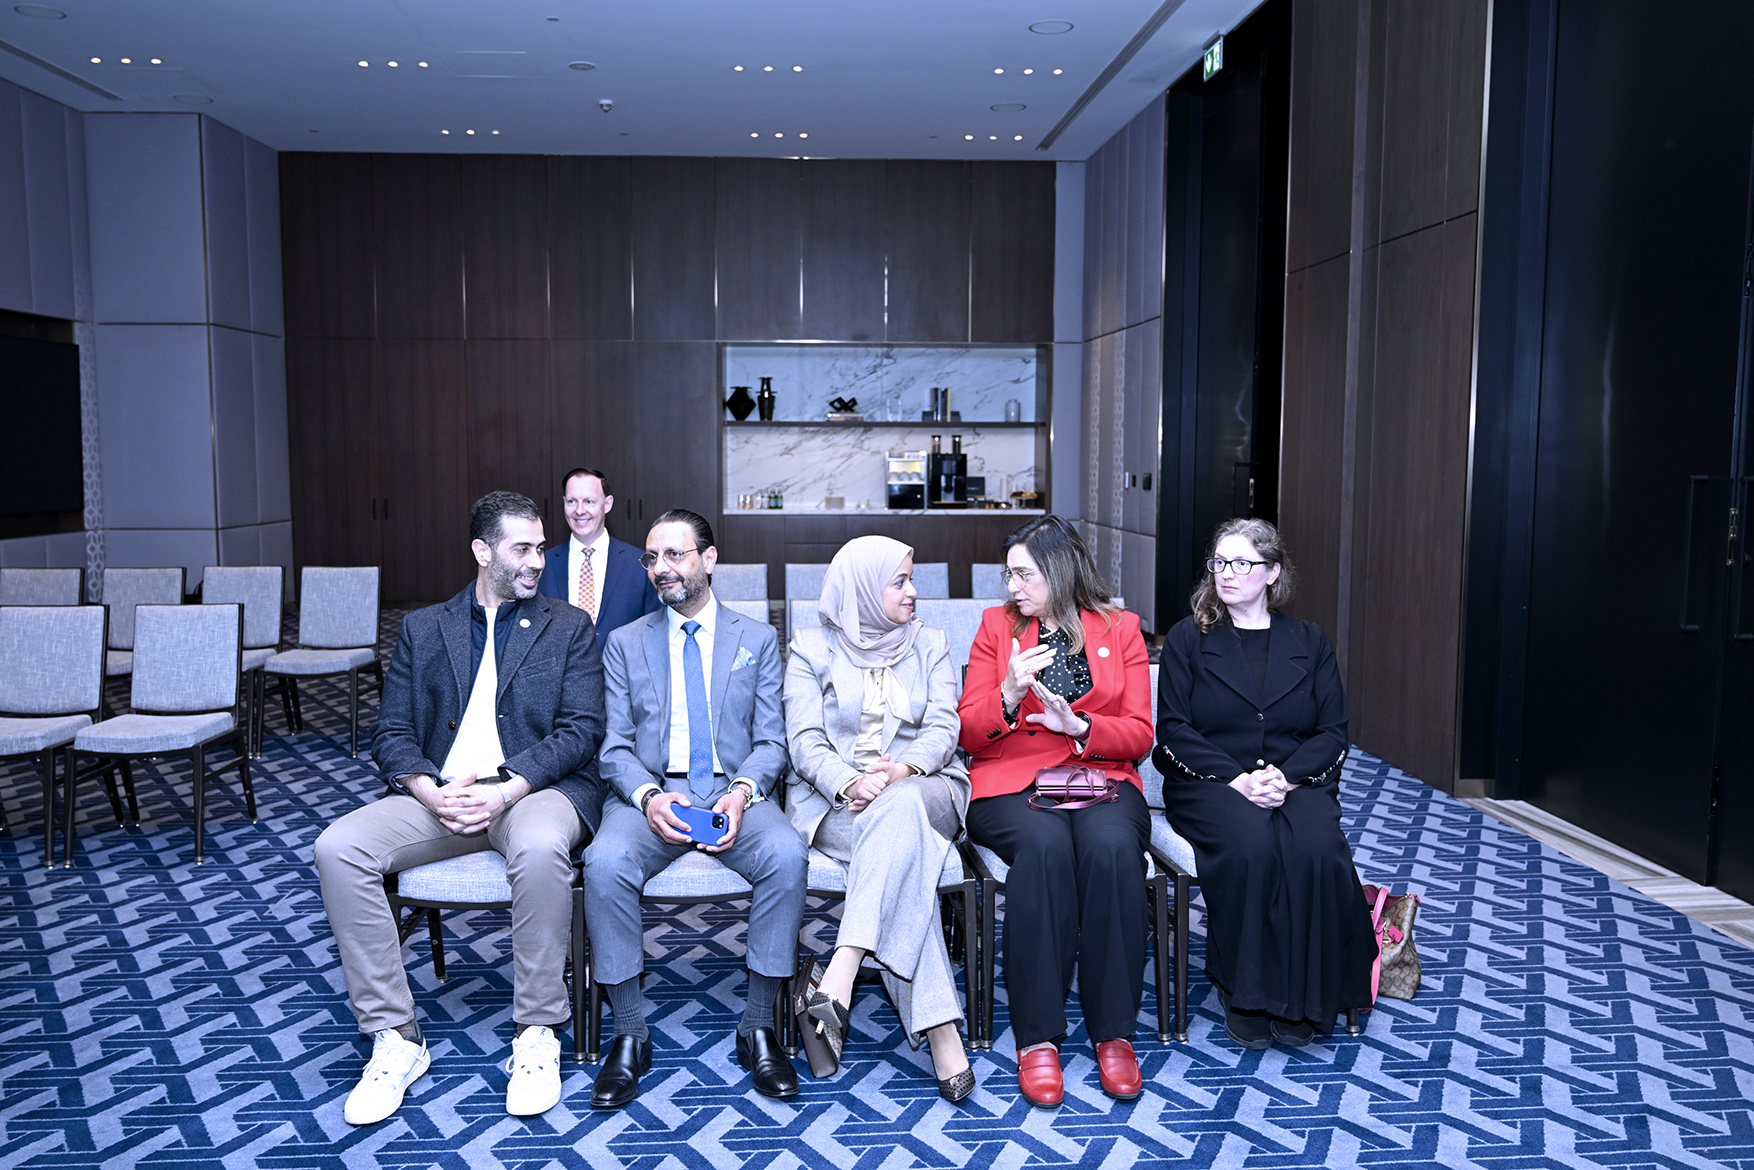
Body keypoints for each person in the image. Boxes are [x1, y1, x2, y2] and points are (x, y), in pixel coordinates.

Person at [314, 491, 606, 1125]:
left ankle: (537, 1031)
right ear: (482, 551)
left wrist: (507, 789)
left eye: (540, 548)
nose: (538, 561)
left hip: (533, 792)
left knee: (539, 848)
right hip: (439, 795)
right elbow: (391, 732)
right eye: (522, 549)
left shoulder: (568, 626)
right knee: (338, 848)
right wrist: (429, 791)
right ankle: (396, 1037)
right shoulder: (424, 628)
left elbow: (582, 730)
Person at [583, 509, 806, 1106]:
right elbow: (615, 747)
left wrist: (742, 792)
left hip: (733, 787)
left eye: (674, 555)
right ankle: (629, 1032)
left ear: (709, 559)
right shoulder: (625, 643)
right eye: (652, 558)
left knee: (786, 854)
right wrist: (650, 797)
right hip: (655, 790)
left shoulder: (756, 638)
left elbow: (771, 741)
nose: (661, 568)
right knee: (604, 863)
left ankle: (757, 1025)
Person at [1153, 517, 1375, 1050]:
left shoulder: (1309, 640)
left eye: (1242, 563)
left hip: (1292, 778)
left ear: (1272, 572)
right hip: (1210, 782)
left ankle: (1304, 995)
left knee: (1317, 848)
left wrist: (1287, 777)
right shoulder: (1188, 638)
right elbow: (1174, 729)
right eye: (1219, 562)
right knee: (1252, 846)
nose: (1227, 574)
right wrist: (1238, 780)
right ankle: (1246, 992)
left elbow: (1332, 730)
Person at [957, 515, 1153, 1109]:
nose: (1012, 587)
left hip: (1099, 775)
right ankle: (1037, 1037)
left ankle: (1114, 1032)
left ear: (1060, 571)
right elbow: (966, 732)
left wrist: (1083, 726)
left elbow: (1140, 734)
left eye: (1024, 575)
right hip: (1011, 781)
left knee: (1112, 849)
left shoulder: (1121, 629)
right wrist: (1009, 694)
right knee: (1044, 851)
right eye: (1008, 575)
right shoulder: (996, 628)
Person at [784, 535, 975, 1101]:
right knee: (905, 864)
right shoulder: (810, 648)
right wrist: (851, 781)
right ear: (864, 589)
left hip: (927, 789)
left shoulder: (931, 643)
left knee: (901, 808)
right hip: (839, 803)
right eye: (900, 581)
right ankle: (942, 1031)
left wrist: (902, 770)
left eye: (912, 578)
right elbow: (805, 741)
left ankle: (840, 971)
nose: (913, 591)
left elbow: (944, 726)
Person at [536, 466, 661, 653]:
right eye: (572, 501)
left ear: (608, 504)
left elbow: (654, 631)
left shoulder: (639, 565)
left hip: (622, 670)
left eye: (589, 501)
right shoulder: (542, 565)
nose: (579, 511)